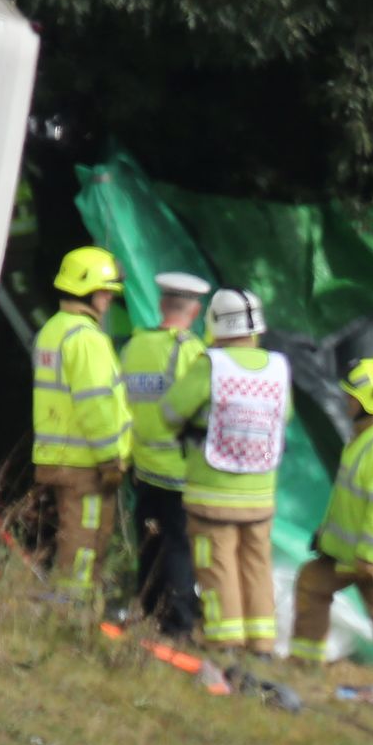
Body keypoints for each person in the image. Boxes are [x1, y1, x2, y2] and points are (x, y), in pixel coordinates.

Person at [158, 287, 291, 655]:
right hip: (261, 493)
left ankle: (225, 638)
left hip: (212, 491)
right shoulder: (278, 368)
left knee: (216, 563)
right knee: (256, 563)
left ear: (215, 324)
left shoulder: (210, 365)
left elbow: (169, 413)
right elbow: (286, 417)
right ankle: (262, 641)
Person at [290, 357, 373, 695]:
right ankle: (305, 664)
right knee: (311, 582)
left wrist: (370, 555)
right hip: (354, 553)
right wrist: (327, 539)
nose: (347, 401)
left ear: (370, 402)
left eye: (353, 396)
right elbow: (349, 503)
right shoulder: (366, 439)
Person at [32, 246, 132, 598]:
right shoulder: (87, 339)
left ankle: (65, 604)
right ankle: (71, 611)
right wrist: (110, 457)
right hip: (85, 463)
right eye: (105, 291)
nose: (107, 299)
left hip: (56, 455)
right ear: (88, 290)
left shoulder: (52, 330)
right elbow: (96, 405)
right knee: (85, 539)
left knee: (70, 532)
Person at [118, 271, 210, 636]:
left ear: (160, 305)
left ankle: (147, 608)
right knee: (179, 548)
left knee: (149, 543)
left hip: (141, 464)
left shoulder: (133, 346)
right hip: (179, 468)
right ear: (196, 310)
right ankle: (178, 624)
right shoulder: (191, 352)